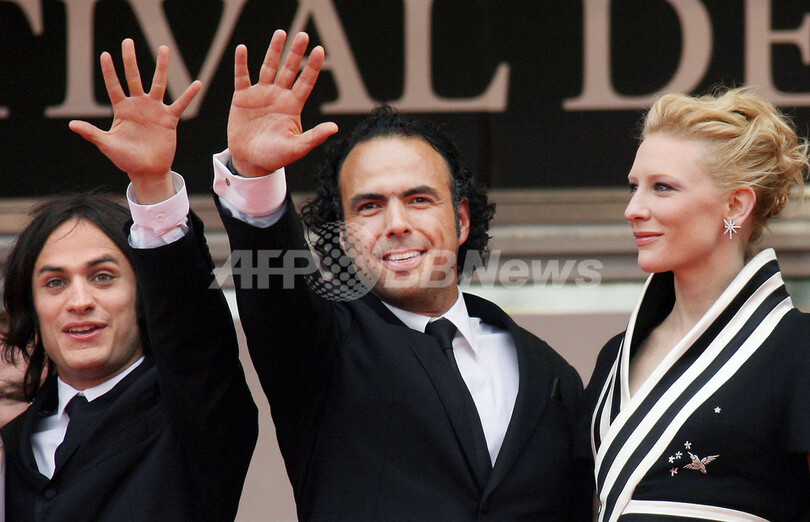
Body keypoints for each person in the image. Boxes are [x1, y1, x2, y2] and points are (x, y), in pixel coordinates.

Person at [212, 30, 590, 520]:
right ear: (343, 238)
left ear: (462, 220)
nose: (396, 224)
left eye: (418, 199)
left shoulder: (551, 374)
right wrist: (255, 177)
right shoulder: (320, 347)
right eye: (369, 206)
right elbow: (276, 291)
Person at [0, 39, 258, 520]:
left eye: (102, 277)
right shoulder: (12, 440)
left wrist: (152, 184)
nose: (79, 301)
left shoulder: (190, 414)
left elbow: (194, 334)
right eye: (54, 283)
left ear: (143, 296)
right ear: (31, 309)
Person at [583, 87, 810, 521]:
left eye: (662, 188)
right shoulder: (616, 354)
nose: (633, 209)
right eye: (634, 187)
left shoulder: (798, 350)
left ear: (736, 205)